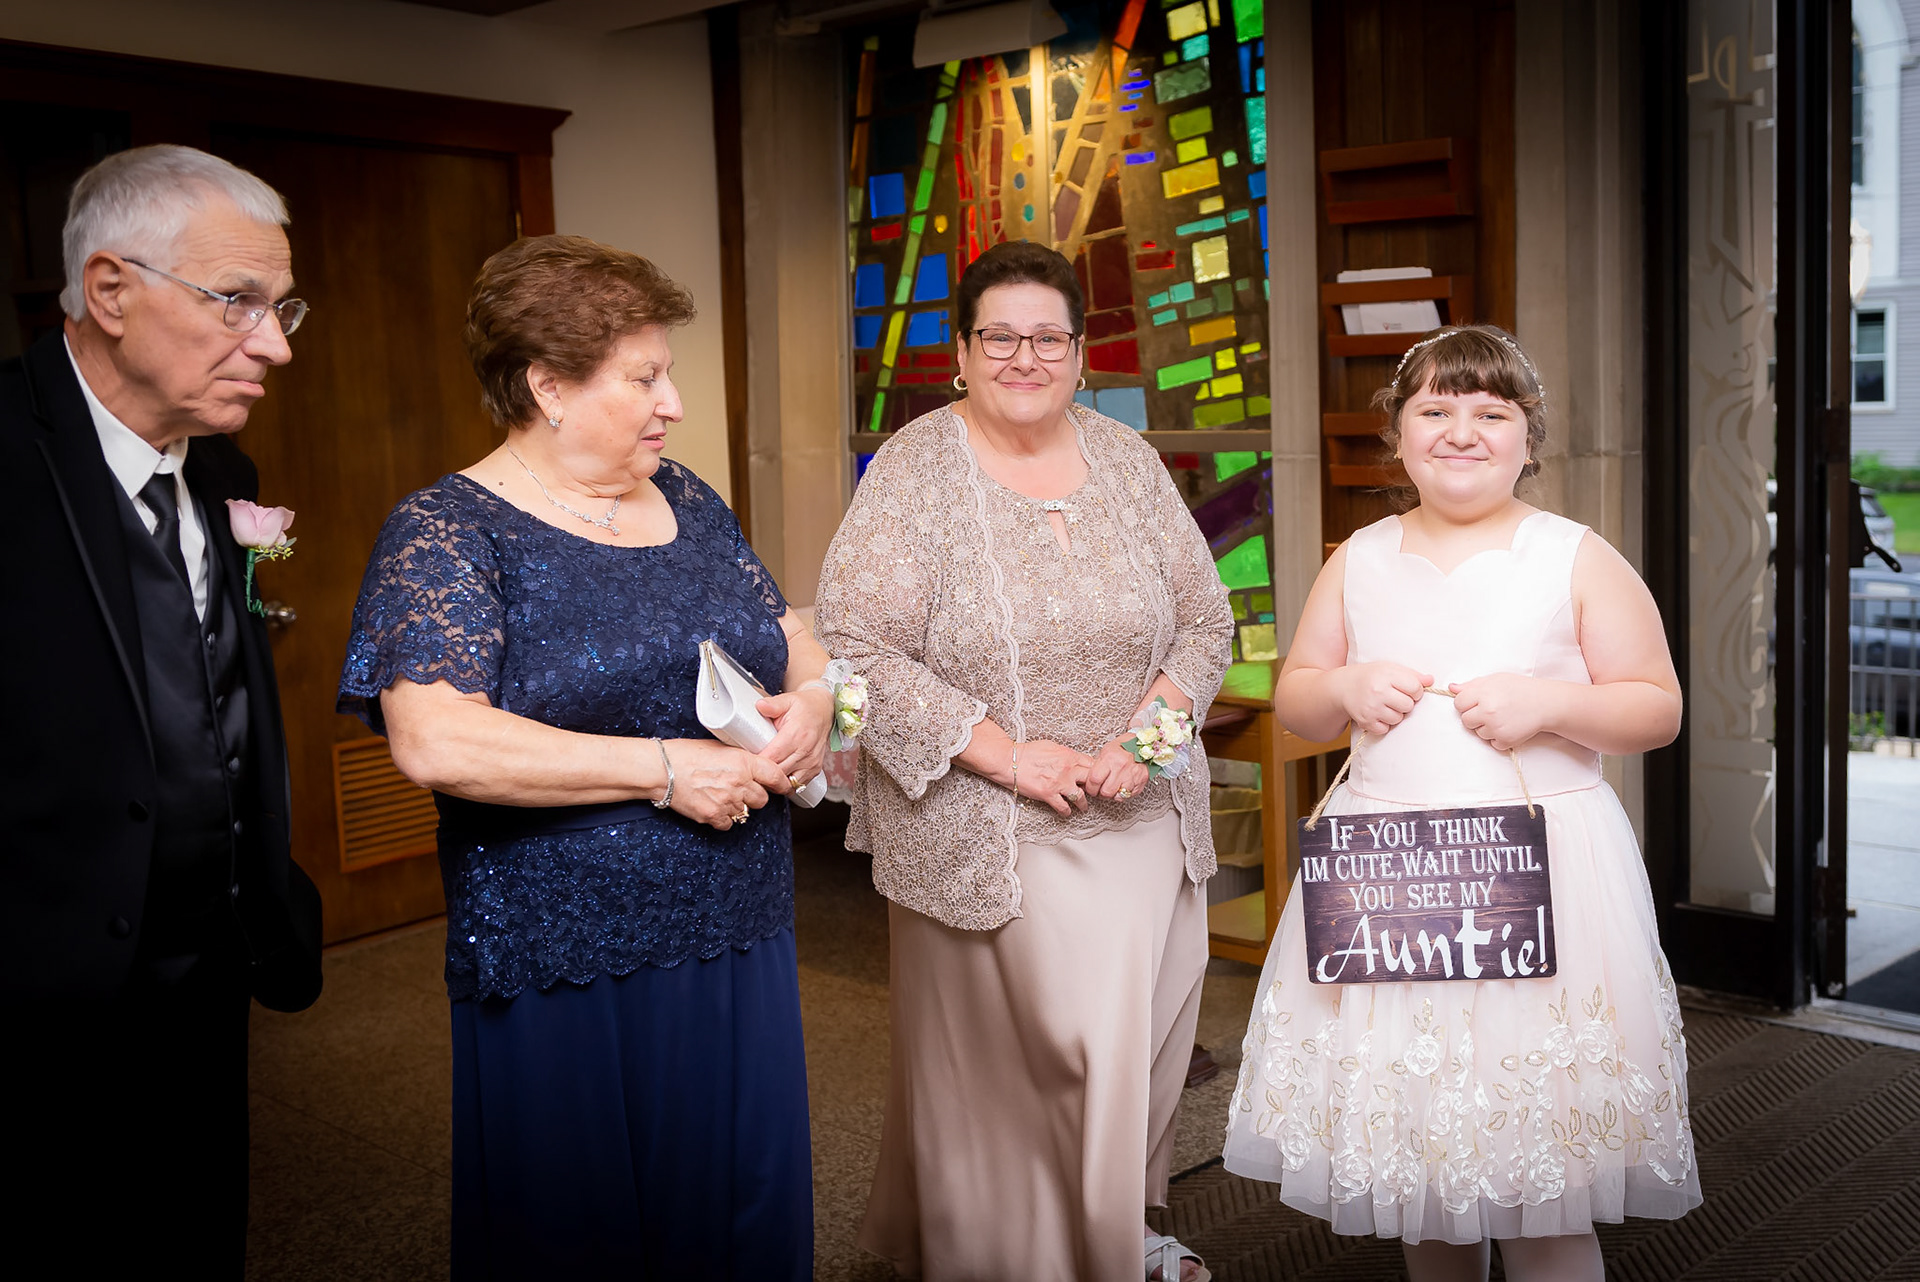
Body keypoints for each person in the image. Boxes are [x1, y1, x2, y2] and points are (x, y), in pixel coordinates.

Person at [338, 234, 825, 1278]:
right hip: (568, 947)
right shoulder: (446, 533)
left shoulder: (686, 496)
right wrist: (665, 768)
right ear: (547, 386)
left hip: (739, 918)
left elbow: (789, 632)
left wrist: (819, 700)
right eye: (644, 378)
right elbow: (436, 738)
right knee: (585, 1222)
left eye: (667, 373)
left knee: (738, 1199)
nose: (672, 404)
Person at [1222, 326, 1701, 1281]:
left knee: (1540, 1176)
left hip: (1541, 873)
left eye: (1491, 412)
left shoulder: (1575, 557)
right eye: (1434, 410)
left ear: (1529, 437)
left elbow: (1657, 707)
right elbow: (1299, 700)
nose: (1461, 431)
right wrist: (1345, 688)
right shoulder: (1358, 558)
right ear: (1397, 436)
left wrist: (1550, 705)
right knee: (1423, 1165)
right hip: (1392, 871)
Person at [816, 240, 1234, 1282]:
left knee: (1136, 1043)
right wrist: (1012, 758)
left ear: (1080, 353)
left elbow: (1206, 620)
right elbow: (856, 646)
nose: (1025, 357)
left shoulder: (1126, 459)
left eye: (1049, 337)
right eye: (998, 337)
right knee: (1059, 1047)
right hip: (985, 820)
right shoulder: (915, 470)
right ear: (961, 352)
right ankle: (1022, 1252)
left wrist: (1145, 746)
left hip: (1140, 811)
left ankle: (1117, 1231)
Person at [0, 144, 321, 1273]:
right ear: (109, 290)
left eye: (282, 307)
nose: (275, 345)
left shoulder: (225, 473)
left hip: (211, 956)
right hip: (39, 984)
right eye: (237, 300)